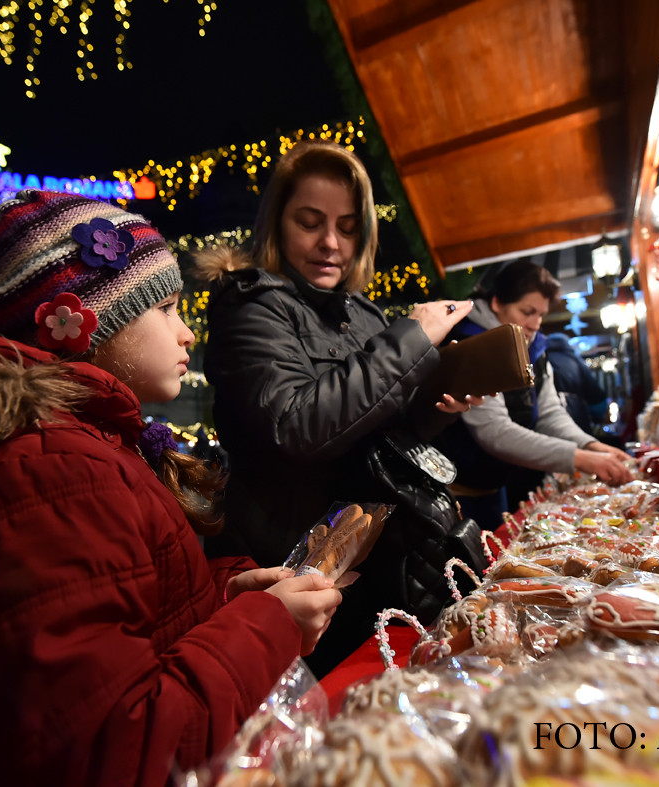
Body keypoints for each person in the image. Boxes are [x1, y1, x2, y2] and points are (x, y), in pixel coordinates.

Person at [0, 190, 342, 786]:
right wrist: (266, 627)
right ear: (79, 325)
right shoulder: (54, 475)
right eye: (166, 308)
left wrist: (224, 600)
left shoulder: (82, 450)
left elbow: (120, 630)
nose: (186, 334)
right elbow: (106, 746)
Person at [196, 140, 482, 675]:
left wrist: (440, 406)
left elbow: (380, 437)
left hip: (380, 568)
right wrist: (410, 339)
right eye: (310, 222)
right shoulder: (250, 304)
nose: (330, 242)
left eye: (348, 228)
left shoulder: (363, 313)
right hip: (292, 574)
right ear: (276, 223)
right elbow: (297, 426)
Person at [434, 260, 633, 530]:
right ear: (497, 303)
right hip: (455, 494)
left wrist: (590, 445)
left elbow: (549, 414)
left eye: (540, 314)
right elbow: (494, 432)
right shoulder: (473, 344)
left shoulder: (534, 348)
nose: (535, 324)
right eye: (527, 312)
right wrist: (580, 458)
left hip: (496, 486)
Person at [545, 332, 612, 437]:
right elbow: (594, 392)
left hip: (547, 419)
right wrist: (598, 417)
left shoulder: (541, 359)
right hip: (575, 415)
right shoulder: (574, 360)